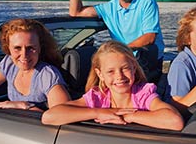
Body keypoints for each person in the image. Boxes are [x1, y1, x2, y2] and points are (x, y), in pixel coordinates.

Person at [0, 18, 71, 141]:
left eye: (30, 48)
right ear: (8, 48)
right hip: (17, 134)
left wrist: (22, 106)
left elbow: (63, 118)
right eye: (17, 48)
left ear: (40, 47)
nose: (24, 55)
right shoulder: (9, 64)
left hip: (40, 139)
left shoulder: (47, 75)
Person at [42, 40, 184, 131]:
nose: (119, 76)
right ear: (100, 74)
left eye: (125, 68)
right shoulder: (97, 98)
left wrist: (127, 116)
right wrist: (99, 112)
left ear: (134, 68)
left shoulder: (142, 94)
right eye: (110, 71)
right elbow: (49, 117)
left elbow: (174, 121)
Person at [69, 0, 164, 82]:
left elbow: (150, 37)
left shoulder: (146, 1)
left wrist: (119, 52)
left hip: (145, 59)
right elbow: (75, 12)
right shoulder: (108, 8)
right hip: (122, 59)